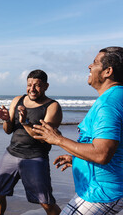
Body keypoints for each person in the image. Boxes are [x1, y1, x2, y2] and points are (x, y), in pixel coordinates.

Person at [33, 47, 123, 215]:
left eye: (95, 62)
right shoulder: (116, 97)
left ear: (107, 71)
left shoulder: (108, 104)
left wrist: (58, 139)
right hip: (100, 187)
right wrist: (78, 159)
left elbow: (102, 154)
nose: (89, 66)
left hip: (102, 192)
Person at [0, 69, 62, 215]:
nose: (32, 89)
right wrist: (6, 120)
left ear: (46, 86)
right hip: (11, 153)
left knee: (46, 202)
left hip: (35, 157)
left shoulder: (52, 106)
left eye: (37, 85)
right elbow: (8, 130)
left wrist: (25, 122)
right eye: (29, 84)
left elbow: (44, 138)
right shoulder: (17, 100)